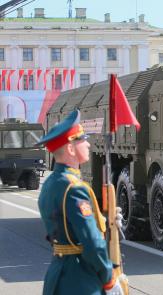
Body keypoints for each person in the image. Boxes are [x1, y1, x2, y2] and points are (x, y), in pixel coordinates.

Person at [36, 110, 123, 295]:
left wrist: (108, 221)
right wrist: (109, 279)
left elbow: (66, 227)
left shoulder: (50, 184)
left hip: (58, 276)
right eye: (83, 139)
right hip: (80, 281)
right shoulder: (74, 188)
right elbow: (92, 242)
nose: (88, 144)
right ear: (70, 148)